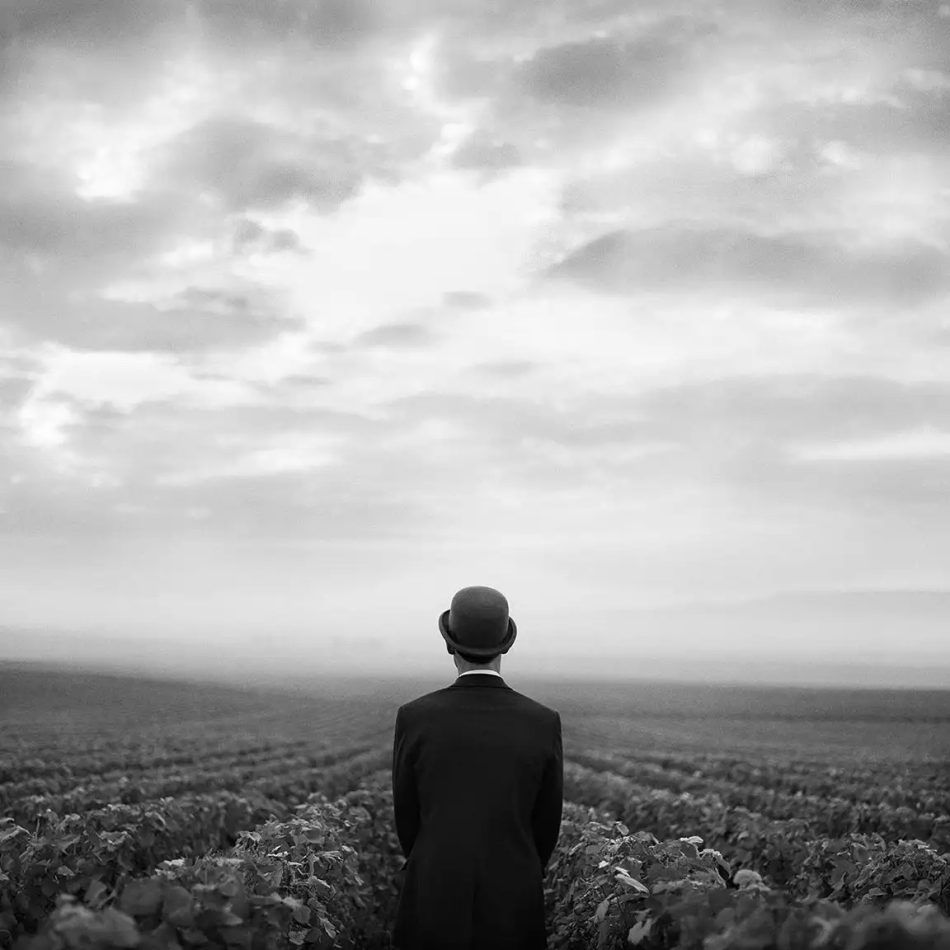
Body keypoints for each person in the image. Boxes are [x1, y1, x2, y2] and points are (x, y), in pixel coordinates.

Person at [391, 585, 563, 950]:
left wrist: (435, 857)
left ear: (450, 645)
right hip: (514, 895)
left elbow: (406, 817)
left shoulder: (415, 717)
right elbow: (547, 824)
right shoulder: (543, 722)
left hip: (433, 889)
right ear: (506, 645)